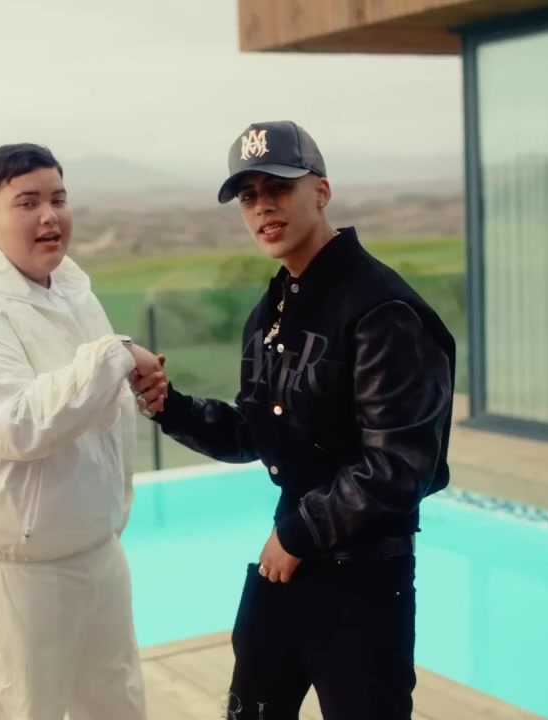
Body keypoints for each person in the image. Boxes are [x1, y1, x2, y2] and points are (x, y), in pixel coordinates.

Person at [132, 121, 456, 719]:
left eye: (279, 187)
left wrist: (296, 534)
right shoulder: (273, 310)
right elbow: (255, 432)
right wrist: (168, 405)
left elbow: (398, 467)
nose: (263, 207)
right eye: (248, 195)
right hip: (285, 571)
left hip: (362, 582)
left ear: (322, 191)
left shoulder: (384, 311)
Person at [0, 142, 162, 720]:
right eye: (28, 202)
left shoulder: (68, 288)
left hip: (93, 549)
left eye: (58, 199)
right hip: (7, 570)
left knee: (116, 706)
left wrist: (130, 382)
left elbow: (89, 402)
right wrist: (114, 356)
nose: (49, 216)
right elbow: (14, 424)